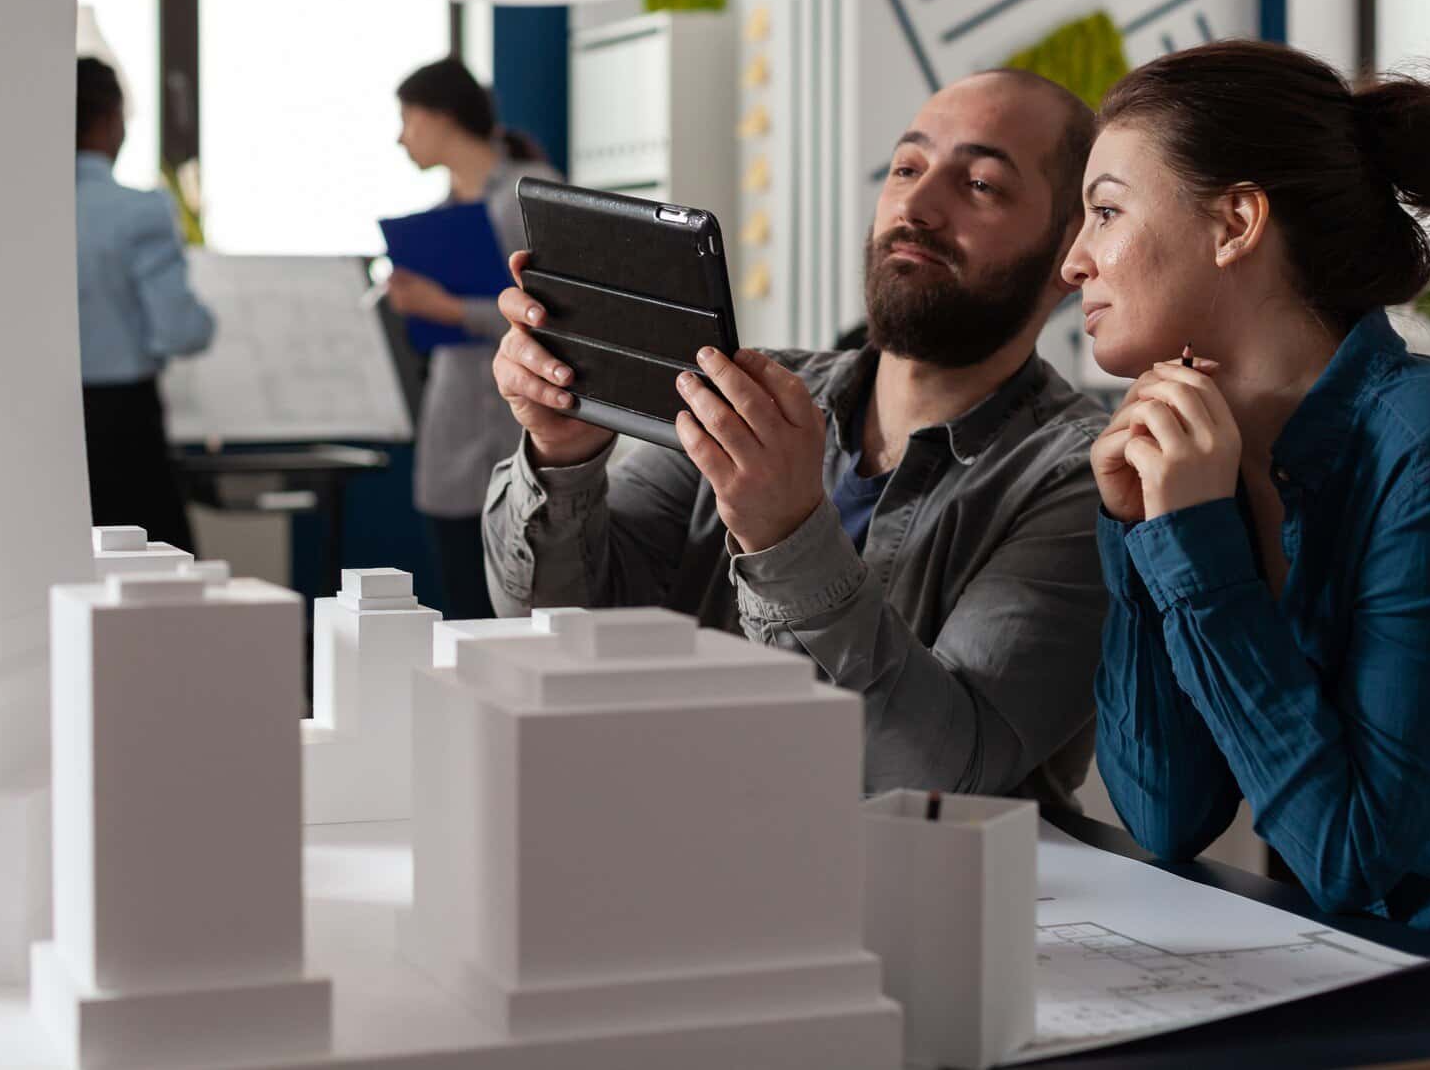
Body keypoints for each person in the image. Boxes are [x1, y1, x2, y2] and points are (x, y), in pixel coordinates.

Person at [1064, 40, 1430, 995]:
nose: (1074, 258)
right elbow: (1167, 813)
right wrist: (1140, 533)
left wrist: (1193, 552)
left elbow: (1345, 854)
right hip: (1394, 957)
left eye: (1107, 210)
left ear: (1237, 220)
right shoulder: (1201, 459)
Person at [484, 69, 1109, 805]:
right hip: (678, 846)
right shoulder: (750, 393)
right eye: (907, 167)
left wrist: (786, 534)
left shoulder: (1082, 478)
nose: (917, 204)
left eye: (979, 185)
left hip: (925, 901)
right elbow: (566, 626)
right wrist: (564, 452)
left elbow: (940, 773)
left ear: (1071, 245)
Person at [392, 58, 564, 621]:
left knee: (524, 615)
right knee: (461, 612)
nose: (401, 137)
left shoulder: (527, 194)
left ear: (441, 118)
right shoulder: (440, 215)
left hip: (524, 432)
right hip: (452, 434)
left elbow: (562, 317)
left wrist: (446, 308)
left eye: (408, 119)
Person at [75, 56, 215, 553]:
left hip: (40, 420)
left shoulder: (20, 211)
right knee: (156, 585)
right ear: (110, 120)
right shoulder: (140, 211)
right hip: (123, 421)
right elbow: (180, 331)